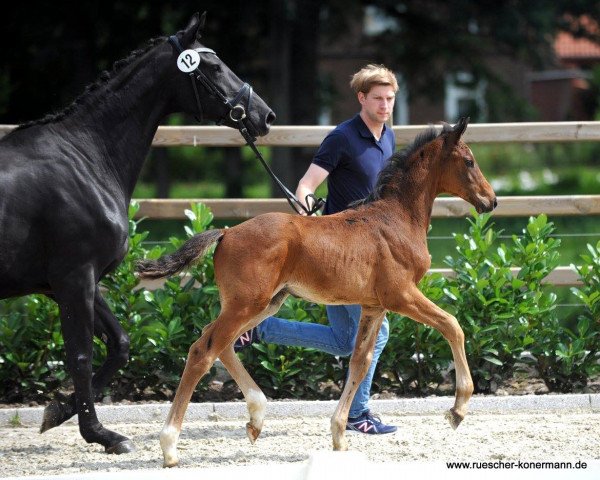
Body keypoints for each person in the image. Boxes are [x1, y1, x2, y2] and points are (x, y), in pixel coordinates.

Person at [235, 64, 398, 435]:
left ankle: (260, 331)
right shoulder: (342, 137)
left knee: (346, 340)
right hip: (338, 254)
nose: (385, 105)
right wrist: (306, 205)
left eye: (390, 99)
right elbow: (307, 184)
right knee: (376, 332)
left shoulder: (388, 137)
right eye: (378, 99)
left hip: (371, 253)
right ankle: (357, 414)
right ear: (361, 98)